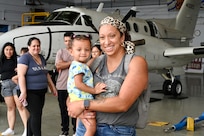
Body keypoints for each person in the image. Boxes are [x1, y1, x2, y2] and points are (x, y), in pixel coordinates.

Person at [67, 16, 148, 136]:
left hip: (116, 130)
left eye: (112, 36)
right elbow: (73, 91)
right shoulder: (95, 62)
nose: (106, 42)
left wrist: (83, 104)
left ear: (122, 37)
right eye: (102, 37)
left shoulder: (135, 62)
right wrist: (73, 107)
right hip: (87, 127)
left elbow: (123, 103)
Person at [67, 34, 106, 136]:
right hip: (81, 99)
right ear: (71, 51)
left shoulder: (79, 64)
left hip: (77, 98)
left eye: (87, 50)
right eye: (79, 50)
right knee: (91, 127)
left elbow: (87, 66)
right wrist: (94, 91)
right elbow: (79, 84)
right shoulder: (78, 67)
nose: (83, 53)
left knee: (83, 124)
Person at [18, 37, 57, 136]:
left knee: (34, 115)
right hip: (29, 92)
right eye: (34, 46)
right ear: (29, 47)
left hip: (41, 91)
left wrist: (52, 87)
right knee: (36, 115)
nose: (36, 48)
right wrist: (23, 92)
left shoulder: (41, 57)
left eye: (38, 46)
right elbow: (21, 75)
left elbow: (46, 74)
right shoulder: (25, 58)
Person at [0, 42, 28, 136]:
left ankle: (27, 129)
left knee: (20, 106)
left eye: (11, 49)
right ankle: (11, 129)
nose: (9, 51)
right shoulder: (1, 60)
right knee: (10, 107)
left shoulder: (18, 59)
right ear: (3, 50)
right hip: (5, 86)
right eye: (7, 49)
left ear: (13, 50)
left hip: (16, 84)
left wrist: (18, 70)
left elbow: (24, 71)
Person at [55, 32, 77, 136]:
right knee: (63, 110)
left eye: (69, 40)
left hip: (75, 86)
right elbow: (58, 65)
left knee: (75, 110)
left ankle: (76, 130)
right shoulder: (60, 52)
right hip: (62, 86)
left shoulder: (77, 52)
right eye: (66, 41)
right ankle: (65, 130)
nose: (68, 43)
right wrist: (71, 63)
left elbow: (81, 63)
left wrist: (65, 63)